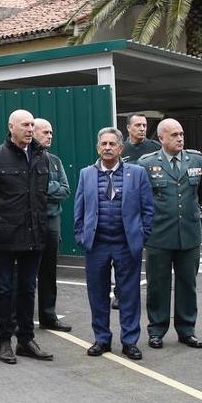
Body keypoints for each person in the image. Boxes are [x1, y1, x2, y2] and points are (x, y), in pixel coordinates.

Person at [0, 109, 54, 364]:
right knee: (3, 290)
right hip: (5, 236)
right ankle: (4, 341)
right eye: (25, 125)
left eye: (32, 125)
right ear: (11, 128)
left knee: (27, 289)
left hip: (34, 235)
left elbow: (42, 197)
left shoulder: (42, 158)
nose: (30, 129)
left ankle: (26, 339)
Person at [73, 127, 154, 360]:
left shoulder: (137, 173)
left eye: (112, 144)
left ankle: (130, 341)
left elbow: (148, 209)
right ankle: (102, 339)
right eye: (103, 144)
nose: (107, 148)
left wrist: (142, 235)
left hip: (126, 244)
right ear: (98, 147)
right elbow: (79, 209)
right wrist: (81, 236)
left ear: (120, 148)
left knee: (129, 294)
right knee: (97, 294)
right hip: (96, 245)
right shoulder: (86, 174)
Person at [137, 118, 202, 350]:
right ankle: (156, 330)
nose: (180, 138)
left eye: (181, 134)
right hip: (159, 234)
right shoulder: (146, 163)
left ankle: (187, 330)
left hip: (189, 233)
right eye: (174, 135)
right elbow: (142, 199)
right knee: (158, 285)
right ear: (161, 139)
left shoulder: (197, 159)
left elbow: (201, 192)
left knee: (188, 284)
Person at [33, 118, 71, 332]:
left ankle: (49, 315)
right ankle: (22, 318)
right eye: (45, 132)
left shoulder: (55, 160)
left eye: (51, 132)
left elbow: (65, 190)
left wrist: (42, 188)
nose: (49, 136)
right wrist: (42, 190)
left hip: (51, 221)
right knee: (27, 272)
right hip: (31, 222)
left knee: (49, 272)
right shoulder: (27, 158)